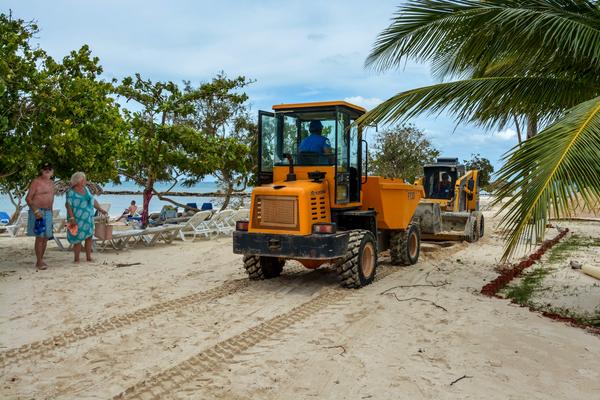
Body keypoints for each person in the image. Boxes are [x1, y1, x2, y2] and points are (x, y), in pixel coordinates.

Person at [65, 172, 107, 263]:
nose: (86, 181)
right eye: (84, 179)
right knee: (77, 240)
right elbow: (68, 205)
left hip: (87, 218)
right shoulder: (70, 192)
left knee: (89, 237)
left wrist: (100, 209)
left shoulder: (86, 189)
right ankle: (76, 259)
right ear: (78, 180)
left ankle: (89, 257)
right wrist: (72, 218)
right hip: (75, 219)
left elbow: (92, 200)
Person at [25, 162, 55, 270]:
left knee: (46, 237)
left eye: (49, 168)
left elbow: (51, 199)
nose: (47, 170)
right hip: (37, 211)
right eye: (45, 168)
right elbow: (28, 198)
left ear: (52, 171)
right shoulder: (36, 182)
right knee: (40, 237)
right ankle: (39, 261)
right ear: (41, 170)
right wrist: (36, 211)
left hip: (48, 212)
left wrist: (51, 214)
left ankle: (40, 260)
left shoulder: (52, 183)